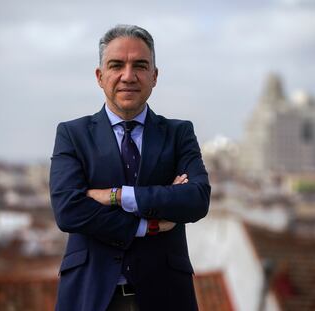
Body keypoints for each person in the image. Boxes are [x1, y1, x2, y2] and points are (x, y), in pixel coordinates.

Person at [50, 24, 210, 311]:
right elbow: (68, 210)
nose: (128, 76)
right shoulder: (72, 134)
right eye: (116, 65)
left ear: (154, 76)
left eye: (139, 65)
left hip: (166, 295)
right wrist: (147, 224)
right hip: (91, 295)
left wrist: (117, 196)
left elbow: (197, 199)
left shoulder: (178, 133)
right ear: (100, 77)